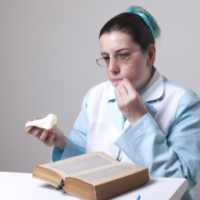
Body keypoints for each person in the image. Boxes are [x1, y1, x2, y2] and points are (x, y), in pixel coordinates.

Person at [25, 6, 200, 200]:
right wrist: (61, 143)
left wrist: (139, 118)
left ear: (150, 55)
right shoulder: (95, 95)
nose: (112, 69)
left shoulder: (184, 101)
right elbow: (85, 161)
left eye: (123, 55)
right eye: (106, 58)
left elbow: (181, 179)